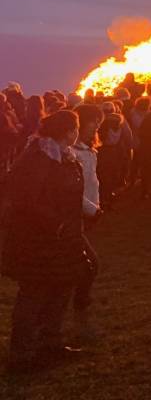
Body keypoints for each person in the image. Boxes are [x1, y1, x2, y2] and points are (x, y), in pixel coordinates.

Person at [2, 110, 91, 372]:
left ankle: (50, 343)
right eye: (75, 128)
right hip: (37, 240)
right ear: (67, 131)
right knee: (33, 294)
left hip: (62, 239)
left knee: (60, 289)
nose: (78, 132)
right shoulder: (40, 157)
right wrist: (57, 224)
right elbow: (28, 200)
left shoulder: (65, 157)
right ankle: (22, 355)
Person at [70, 104, 103, 343]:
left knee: (83, 262)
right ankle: (78, 301)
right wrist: (91, 209)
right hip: (74, 214)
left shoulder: (89, 150)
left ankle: (77, 300)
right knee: (90, 263)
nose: (96, 128)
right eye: (93, 123)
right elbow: (72, 190)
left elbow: (92, 181)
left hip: (87, 213)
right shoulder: (73, 152)